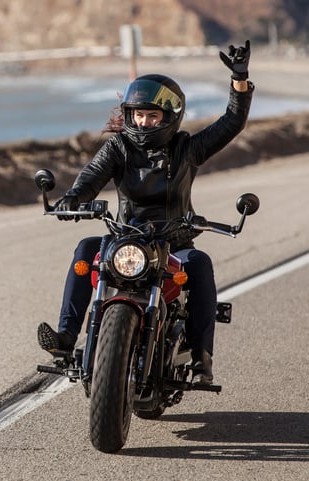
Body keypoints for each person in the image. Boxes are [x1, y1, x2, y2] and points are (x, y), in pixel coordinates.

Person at [37, 41, 254, 386]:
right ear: (129, 114)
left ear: (169, 117)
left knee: (199, 264)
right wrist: (73, 198)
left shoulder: (187, 148)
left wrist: (239, 81)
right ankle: (66, 338)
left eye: (152, 115)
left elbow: (231, 122)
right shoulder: (118, 146)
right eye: (138, 114)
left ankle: (201, 358)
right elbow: (91, 177)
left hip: (174, 239)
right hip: (127, 239)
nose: (144, 121)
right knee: (86, 249)